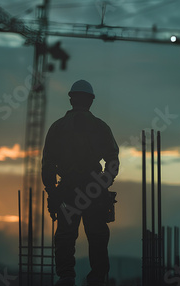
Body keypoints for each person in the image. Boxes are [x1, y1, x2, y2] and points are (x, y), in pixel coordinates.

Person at [41, 80, 119, 286]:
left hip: (67, 191)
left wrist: (53, 192)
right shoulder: (101, 127)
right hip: (94, 191)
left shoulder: (57, 128)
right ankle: (97, 279)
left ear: (71, 98)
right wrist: (103, 183)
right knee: (98, 236)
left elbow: (48, 164)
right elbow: (113, 160)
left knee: (65, 236)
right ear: (91, 101)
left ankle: (66, 277)